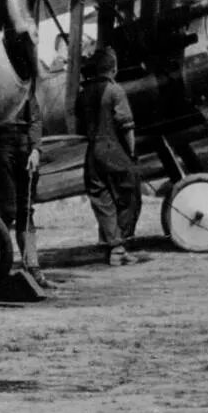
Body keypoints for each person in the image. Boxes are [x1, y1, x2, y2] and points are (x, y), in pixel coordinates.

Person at [74, 46, 143, 264]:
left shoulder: (83, 93)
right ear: (114, 68)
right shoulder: (115, 90)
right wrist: (131, 152)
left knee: (102, 199)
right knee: (131, 195)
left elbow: (79, 126)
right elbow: (126, 126)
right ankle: (120, 245)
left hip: (92, 153)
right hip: (113, 150)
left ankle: (115, 248)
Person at [0, 71, 44, 281]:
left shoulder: (23, 86)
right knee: (6, 210)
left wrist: (35, 150)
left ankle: (33, 268)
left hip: (23, 147)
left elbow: (35, 118)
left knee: (26, 210)